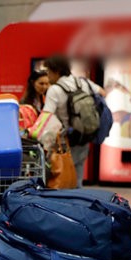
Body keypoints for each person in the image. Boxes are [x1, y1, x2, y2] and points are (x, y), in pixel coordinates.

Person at [42, 55, 105, 188]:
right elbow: (102, 93)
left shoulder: (54, 90)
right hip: (84, 135)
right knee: (78, 177)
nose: (48, 76)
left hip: (66, 141)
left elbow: (46, 116)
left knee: (63, 179)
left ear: (56, 71)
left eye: (48, 72)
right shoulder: (83, 82)